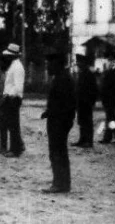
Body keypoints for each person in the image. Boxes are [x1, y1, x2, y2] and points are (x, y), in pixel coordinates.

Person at [41, 49, 76, 193]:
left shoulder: (63, 79)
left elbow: (63, 104)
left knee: (57, 151)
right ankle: (61, 182)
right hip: (59, 120)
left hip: (59, 121)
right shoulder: (62, 77)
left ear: (57, 64)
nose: (48, 67)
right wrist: (48, 112)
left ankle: (60, 184)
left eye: (49, 64)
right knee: (58, 151)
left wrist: (52, 113)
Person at [0, 43, 25, 157]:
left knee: (13, 125)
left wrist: (10, 96)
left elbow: (18, 86)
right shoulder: (14, 65)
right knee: (11, 124)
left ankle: (15, 149)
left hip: (13, 98)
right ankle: (15, 148)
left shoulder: (17, 67)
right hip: (10, 97)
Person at [72, 53, 98, 148]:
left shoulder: (89, 74)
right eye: (77, 62)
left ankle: (89, 141)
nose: (78, 64)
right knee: (81, 121)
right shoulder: (82, 73)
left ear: (84, 63)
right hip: (81, 102)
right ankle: (82, 140)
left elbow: (94, 89)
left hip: (86, 102)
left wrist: (91, 101)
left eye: (79, 62)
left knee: (87, 122)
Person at [99, 51, 115, 144]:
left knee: (110, 118)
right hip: (107, 98)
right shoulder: (108, 71)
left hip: (112, 98)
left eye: (111, 60)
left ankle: (109, 137)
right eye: (109, 60)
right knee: (111, 118)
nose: (109, 61)